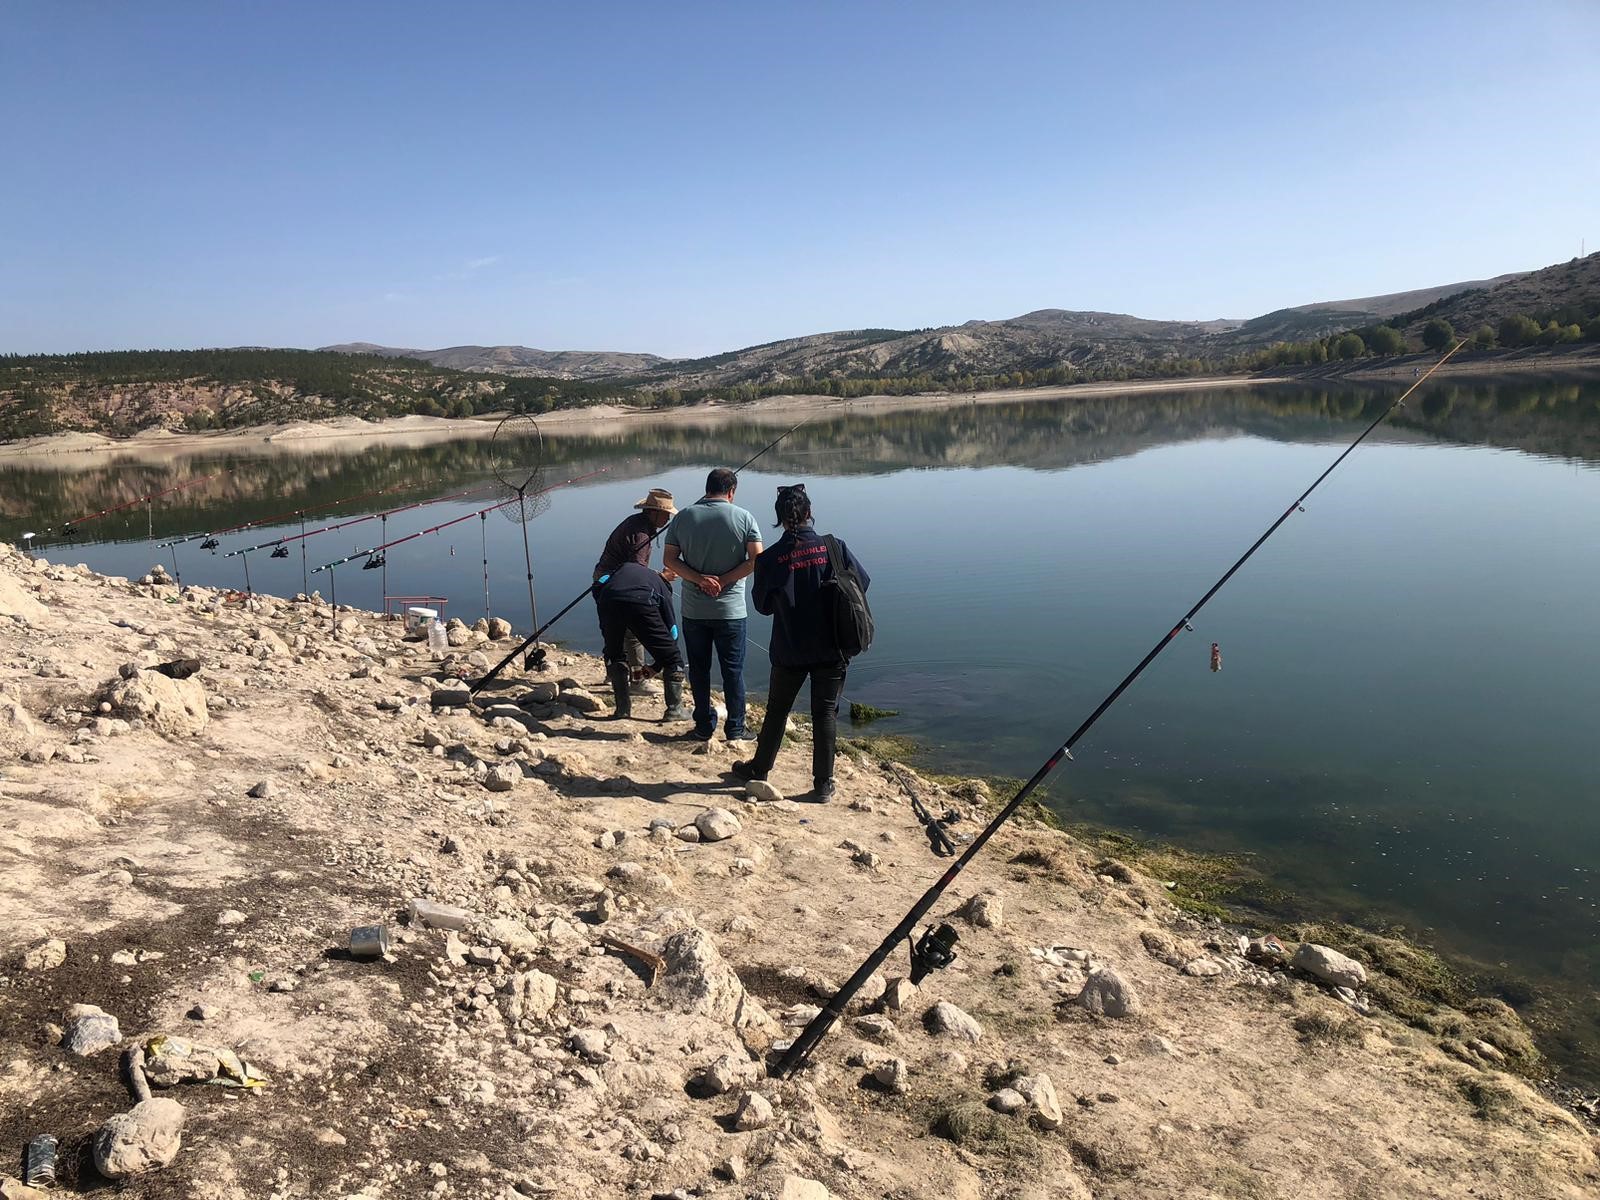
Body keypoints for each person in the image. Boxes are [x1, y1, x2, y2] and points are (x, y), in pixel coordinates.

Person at [733, 483, 869, 803]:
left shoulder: (769, 559)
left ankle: (760, 769)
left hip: (789, 648)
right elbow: (862, 583)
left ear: (779, 519)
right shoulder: (833, 547)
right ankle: (823, 785)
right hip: (832, 647)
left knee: (778, 710)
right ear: (809, 512)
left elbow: (764, 606)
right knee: (824, 714)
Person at [663, 467, 763, 741]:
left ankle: (703, 727)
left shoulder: (683, 517)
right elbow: (757, 560)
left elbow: (670, 561)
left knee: (698, 669)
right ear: (731, 491)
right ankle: (735, 729)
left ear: (707, 488)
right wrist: (724, 580)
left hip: (694, 611)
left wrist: (699, 580)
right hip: (730, 611)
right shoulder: (744, 517)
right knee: (733, 670)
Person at [593, 488, 678, 694]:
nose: (668, 518)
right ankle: (638, 681)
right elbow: (635, 574)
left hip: (607, 582)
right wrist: (662, 578)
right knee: (633, 633)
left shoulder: (638, 523)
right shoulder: (641, 534)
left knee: (615, 630)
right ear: (653, 512)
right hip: (615, 583)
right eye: (666, 514)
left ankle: (614, 673)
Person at [593, 560, 686, 720]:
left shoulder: (621, 569)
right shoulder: (662, 587)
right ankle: (674, 710)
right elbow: (672, 631)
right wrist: (659, 665)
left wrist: (603, 602)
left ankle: (622, 710)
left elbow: (599, 583)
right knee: (673, 659)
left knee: (614, 654)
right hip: (642, 601)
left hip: (608, 600)